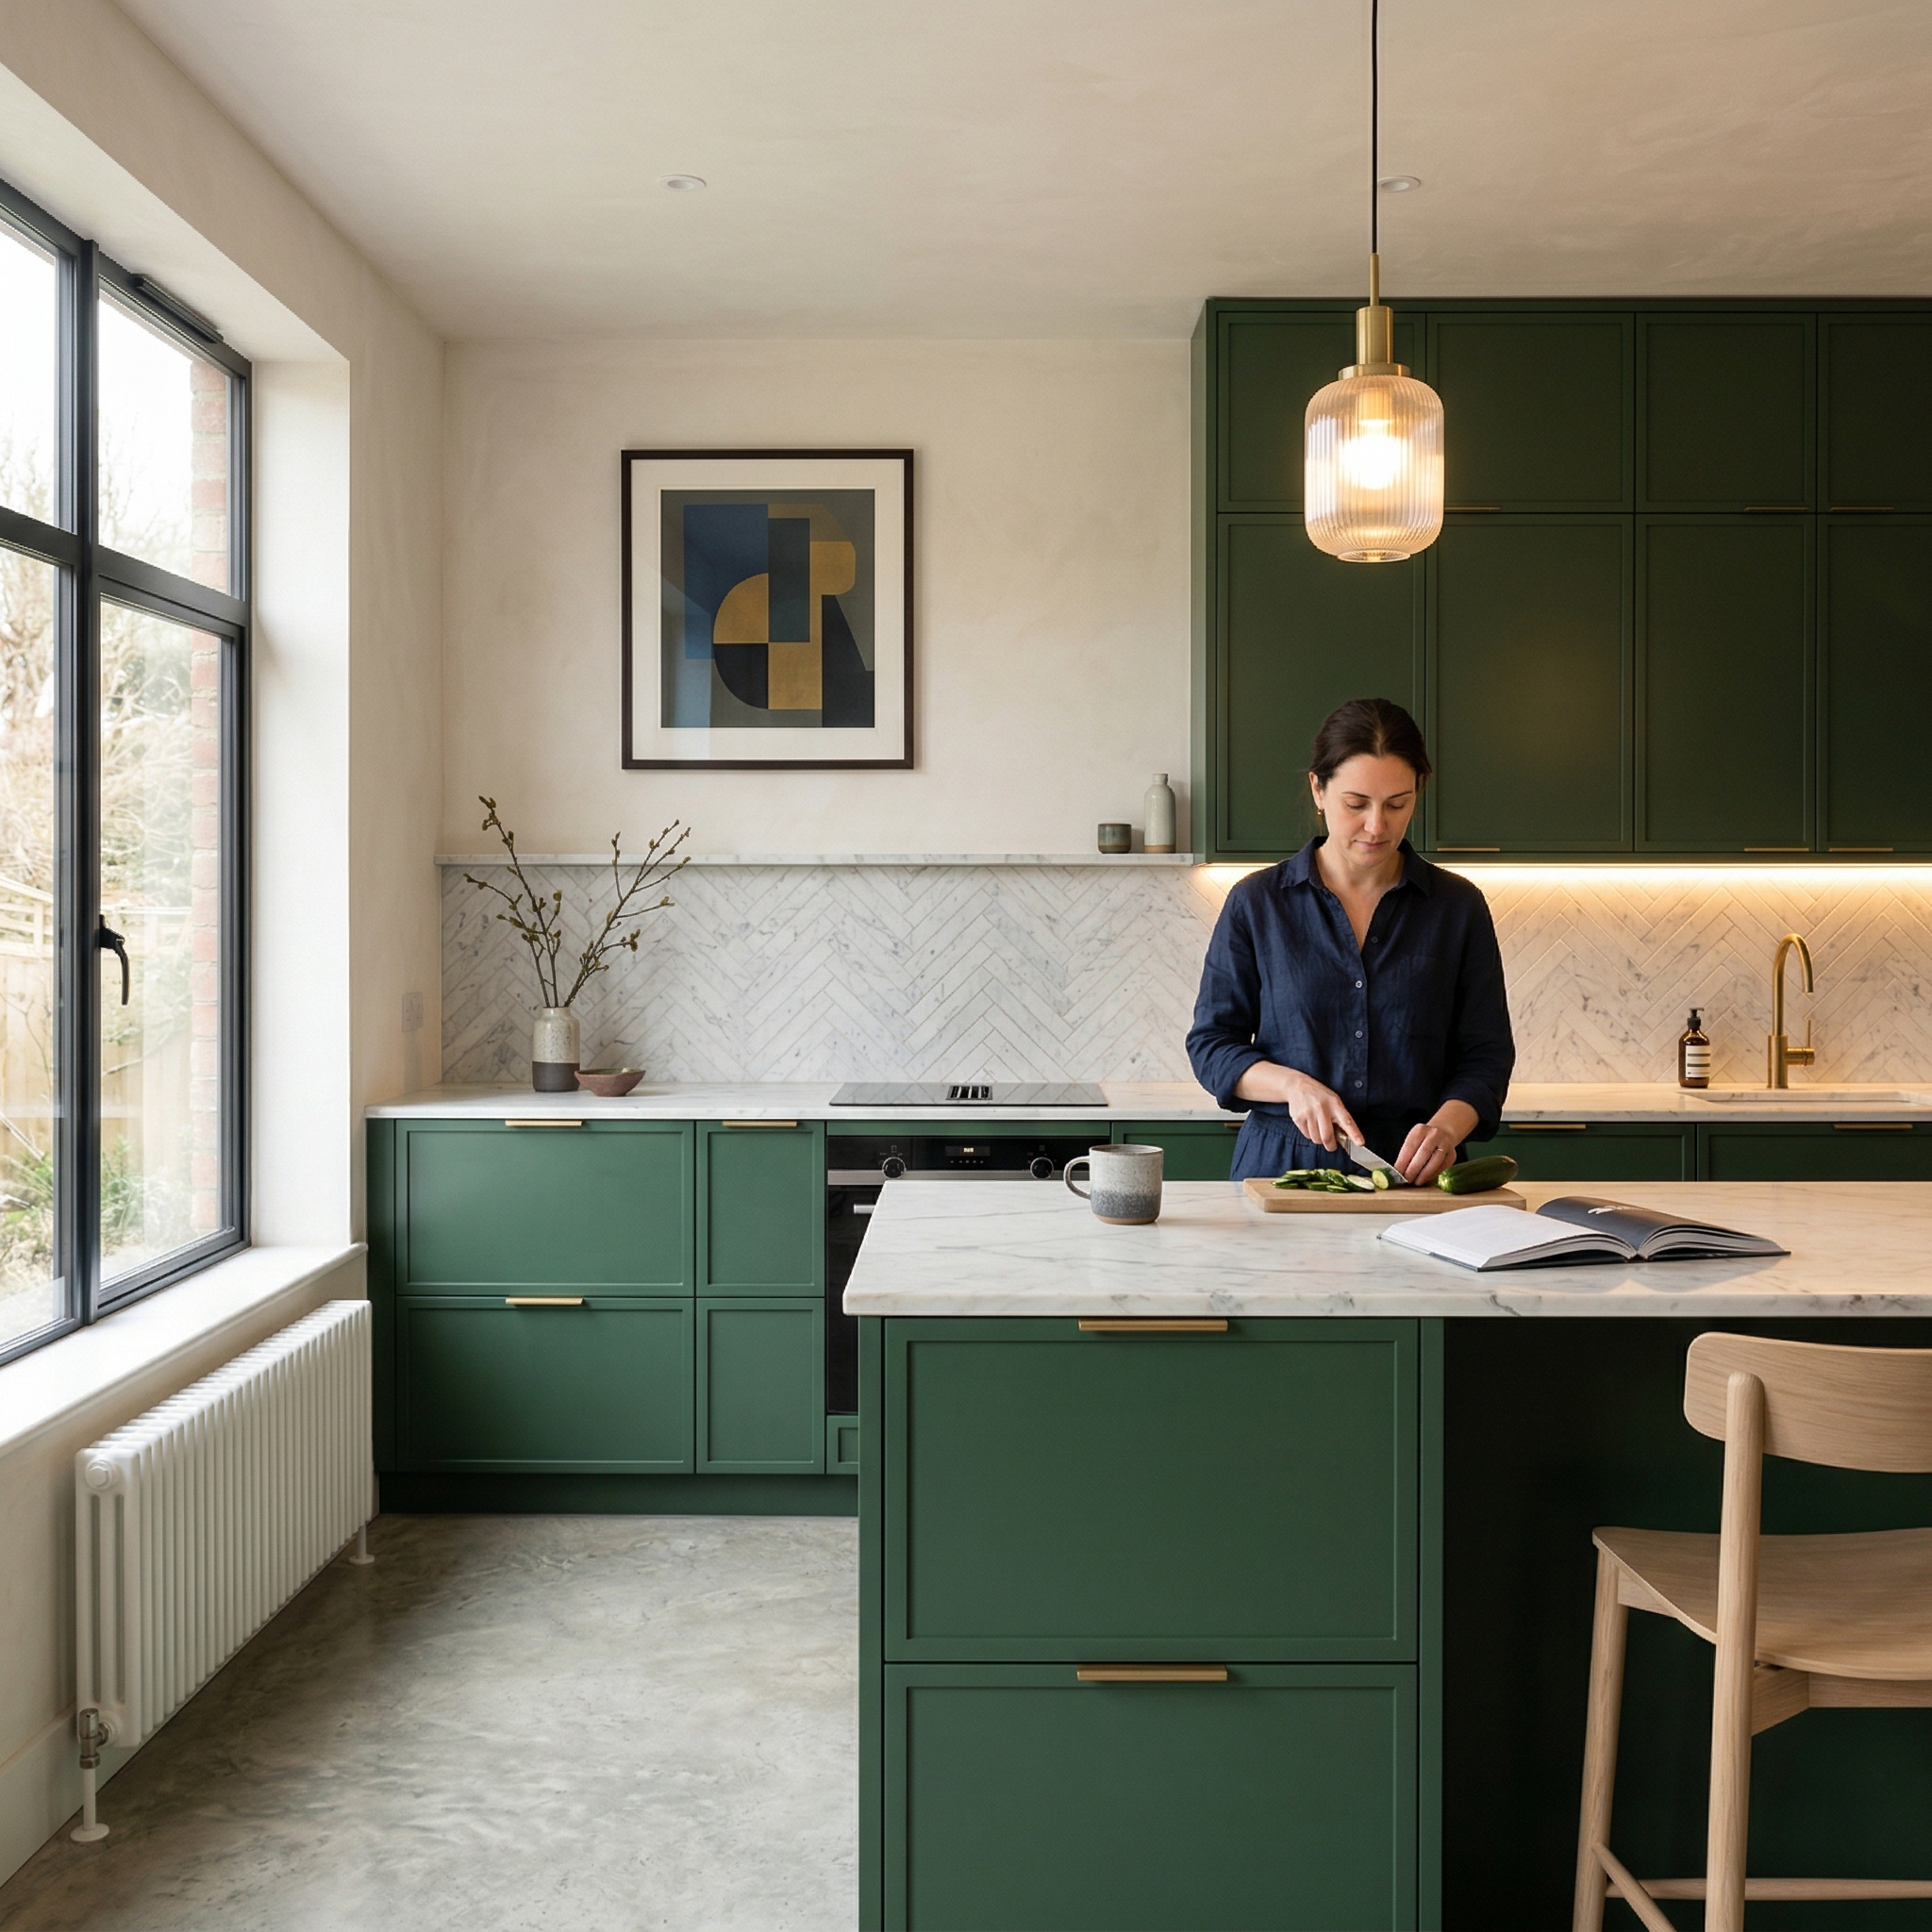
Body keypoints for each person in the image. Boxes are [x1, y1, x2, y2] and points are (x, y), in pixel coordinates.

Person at [1188, 697, 1515, 1186]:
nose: (1376, 826)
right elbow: (1212, 1044)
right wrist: (1291, 1085)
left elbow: (1486, 1056)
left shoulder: (1458, 908)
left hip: (1415, 1177)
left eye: (1397, 804)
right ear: (1318, 790)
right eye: (1356, 804)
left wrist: (1447, 1128)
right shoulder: (1256, 904)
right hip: (1283, 1172)